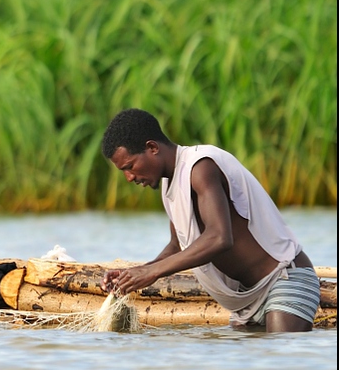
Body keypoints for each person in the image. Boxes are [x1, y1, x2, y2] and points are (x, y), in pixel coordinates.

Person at [98, 108, 319, 332]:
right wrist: (134, 274)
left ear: (152, 148)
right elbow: (176, 246)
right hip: (246, 302)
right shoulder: (168, 185)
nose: (129, 178)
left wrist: (151, 273)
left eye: (130, 166)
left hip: (283, 280)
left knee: (282, 358)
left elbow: (219, 238)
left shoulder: (200, 166)